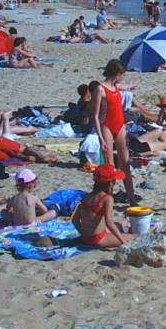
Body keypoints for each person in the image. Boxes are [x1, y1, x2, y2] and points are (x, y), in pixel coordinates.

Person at [91, 59, 137, 205]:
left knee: (125, 163)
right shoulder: (100, 89)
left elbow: (125, 86)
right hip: (107, 127)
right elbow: (95, 116)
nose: (122, 77)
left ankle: (132, 199)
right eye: (121, 75)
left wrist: (131, 86)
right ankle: (108, 198)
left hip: (120, 126)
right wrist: (101, 138)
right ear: (116, 74)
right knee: (110, 166)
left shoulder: (116, 86)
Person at [72, 164, 137, 248]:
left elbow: (74, 219)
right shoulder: (107, 199)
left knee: (119, 225)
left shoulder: (87, 196)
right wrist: (123, 241)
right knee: (135, 237)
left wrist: (82, 233)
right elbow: (109, 223)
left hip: (85, 237)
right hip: (98, 239)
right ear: (111, 183)